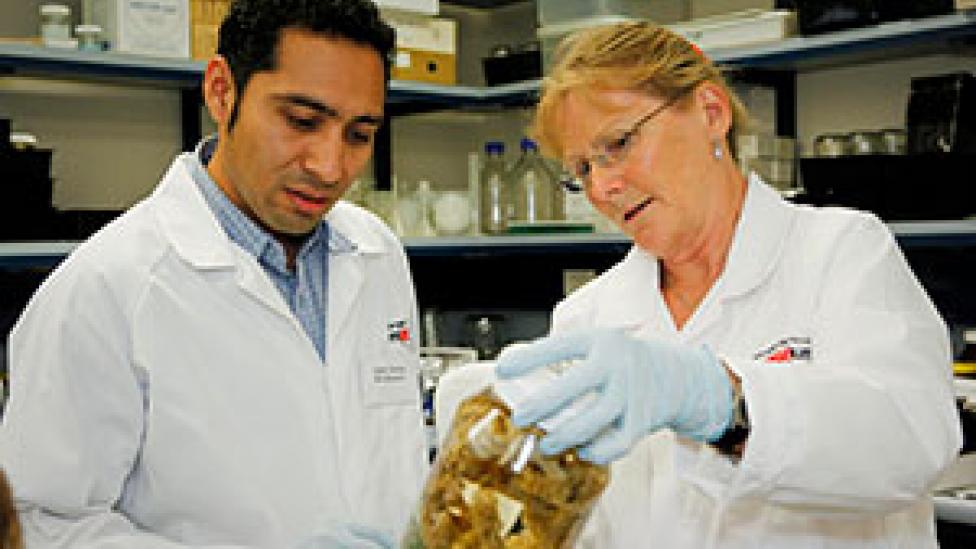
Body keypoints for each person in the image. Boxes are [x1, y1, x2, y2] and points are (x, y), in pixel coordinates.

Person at [436, 21, 962, 547]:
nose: (602, 187)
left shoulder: (840, 251)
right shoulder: (587, 317)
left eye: (618, 144)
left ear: (711, 113)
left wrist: (722, 400)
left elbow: (911, 443)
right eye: (581, 169)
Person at [0, 1, 426, 547]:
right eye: (301, 121)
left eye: (359, 134)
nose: (330, 166)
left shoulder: (377, 253)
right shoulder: (107, 286)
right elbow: (43, 524)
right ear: (222, 91)